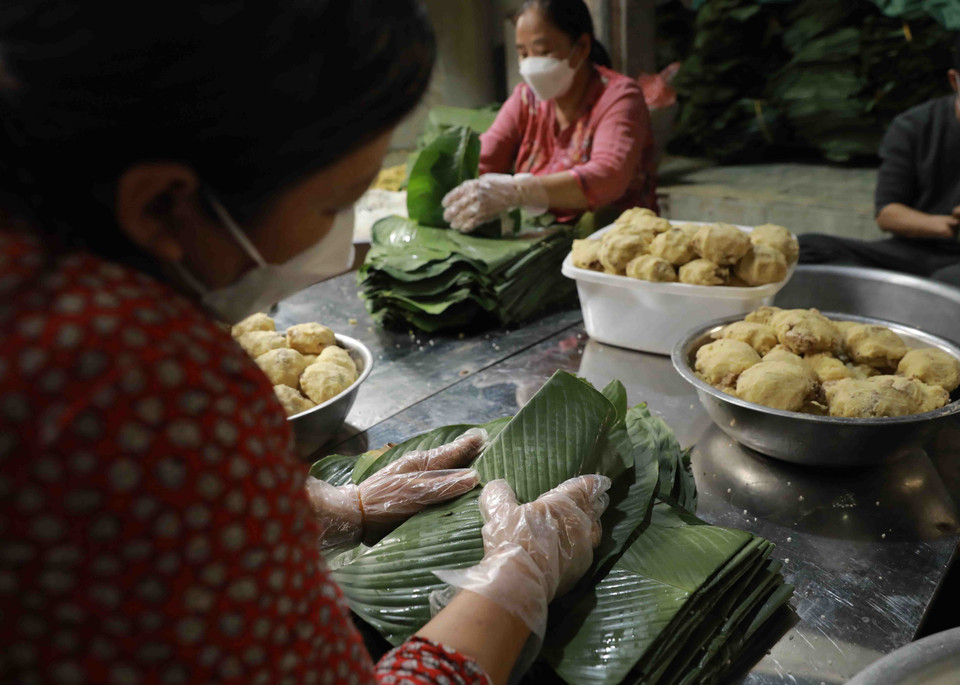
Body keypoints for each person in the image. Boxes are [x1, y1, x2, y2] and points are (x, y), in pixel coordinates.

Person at [0, 3, 610, 684]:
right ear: (162, 204)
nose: (337, 243)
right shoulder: (143, 383)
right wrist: (510, 584)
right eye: (330, 205)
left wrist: (322, 506)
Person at [441, 0, 657, 233]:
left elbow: (608, 175)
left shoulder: (619, 97)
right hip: (543, 236)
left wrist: (519, 191)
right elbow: (483, 158)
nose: (531, 64)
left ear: (582, 47)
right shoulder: (525, 100)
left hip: (613, 241)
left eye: (543, 52)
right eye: (523, 53)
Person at [798, 34, 960, 287]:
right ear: (954, 80)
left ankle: (910, 296)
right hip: (911, 252)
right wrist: (946, 226)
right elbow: (888, 213)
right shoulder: (914, 125)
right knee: (805, 248)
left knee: (949, 280)